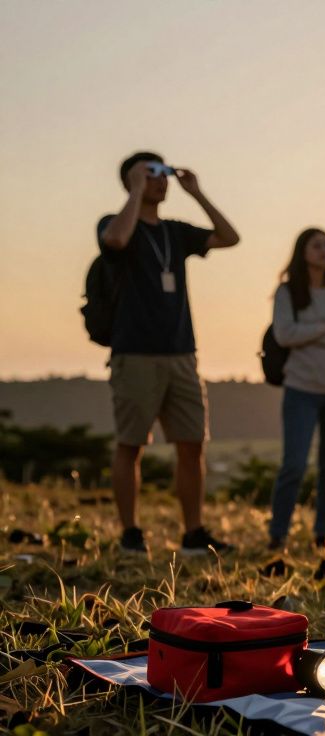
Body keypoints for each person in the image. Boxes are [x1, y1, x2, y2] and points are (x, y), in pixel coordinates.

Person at [97, 152, 240, 555]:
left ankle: (194, 533)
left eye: (162, 173)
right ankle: (130, 533)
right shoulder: (113, 222)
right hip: (135, 353)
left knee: (192, 442)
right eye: (150, 173)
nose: (160, 180)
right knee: (131, 443)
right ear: (131, 181)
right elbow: (116, 241)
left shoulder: (175, 232)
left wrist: (196, 192)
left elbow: (229, 237)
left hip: (181, 353)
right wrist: (137, 189)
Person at [267, 228, 325, 551]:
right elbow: (284, 335)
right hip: (300, 388)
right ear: (302, 251)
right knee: (293, 465)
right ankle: (278, 534)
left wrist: (308, 332)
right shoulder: (287, 292)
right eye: (317, 245)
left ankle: (322, 534)